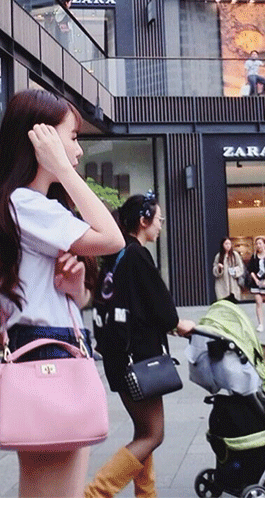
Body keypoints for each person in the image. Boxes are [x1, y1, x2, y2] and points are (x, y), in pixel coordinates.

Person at [0, 89, 124, 498]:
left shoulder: (32, 204)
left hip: (57, 348)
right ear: (42, 141)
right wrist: (65, 172)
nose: (78, 149)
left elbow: (68, 298)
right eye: (72, 136)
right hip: (47, 354)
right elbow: (113, 239)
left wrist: (75, 290)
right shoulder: (25, 203)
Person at [85, 192, 195, 498]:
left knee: (142, 431)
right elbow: (164, 310)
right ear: (144, 221)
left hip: (118, 357)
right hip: (139, 361)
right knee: (153, 435)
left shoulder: (116, 255)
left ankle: (146, 497)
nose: (160, 225)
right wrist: (177, 324)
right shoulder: (137, 255)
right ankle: (94, 495)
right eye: (158, 219)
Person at [212, 237, 244, 302]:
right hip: (222, 284)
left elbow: (241, 267)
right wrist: (219, 268)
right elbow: (214, 270)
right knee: (223, 303)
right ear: (222, 245)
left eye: (229, 244)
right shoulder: (219, 256)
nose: (228, 245)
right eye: (226, 244)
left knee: (233, 303)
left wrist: (235, 271)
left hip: (233, 284)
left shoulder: (235, 255)